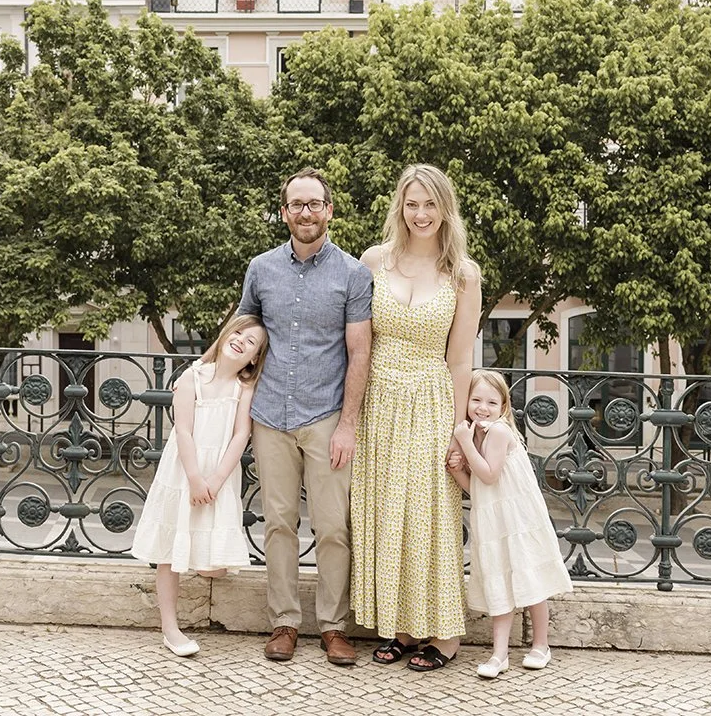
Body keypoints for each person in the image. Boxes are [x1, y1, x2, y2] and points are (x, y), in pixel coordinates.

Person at [237, 168, 373, 666]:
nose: (305, 212)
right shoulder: (261, 268)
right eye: (296, 204)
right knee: (279, 523)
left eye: (314, 204)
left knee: (334, 526)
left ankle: (334, 627)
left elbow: (360, 354)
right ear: (284, 212)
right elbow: (245, 330)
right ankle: (285, 622)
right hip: (270, 413)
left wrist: (348, 426)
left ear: (329, 210)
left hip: (326, 416)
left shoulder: (354, 275)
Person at [352, 163, 481, 673]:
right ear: (400, 208)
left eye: (430, 204)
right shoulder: (374, 261)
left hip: (430, 398)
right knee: (385, 512)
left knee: (430, 514)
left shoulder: (462, 274)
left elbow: (461, 359)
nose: (421, 214)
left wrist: (458, 427)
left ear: (445, 209)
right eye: (412, 204)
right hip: (378, 400)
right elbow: (357, 341)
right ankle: (402, 629)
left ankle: (444, 635)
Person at [130, 315, 268, 657]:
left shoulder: (244, 388)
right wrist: (194, 478)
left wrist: (216, 480)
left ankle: (205, 565)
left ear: (254, 358)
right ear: (224, 335)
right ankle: (170, 627)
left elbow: (241, 435)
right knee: (169, 552)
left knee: (213, 563)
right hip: (184, 471)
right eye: (238, 332)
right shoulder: (192, 377)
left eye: (251, 342)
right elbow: (183, 431)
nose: (241, 341)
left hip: (218, 473)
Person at [450, 369, 573, 679]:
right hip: (493, 518)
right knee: (499, 580)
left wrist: (464, 442)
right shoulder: (478, 433)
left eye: (491, 402)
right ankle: (499, 654)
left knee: (530, 580)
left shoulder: (499, 432)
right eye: (476, 399)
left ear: (503, 407)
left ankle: (541, 645)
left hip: (519, 518)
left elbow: (489, 474)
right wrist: (456, 472)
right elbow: (478, 488)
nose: (482, 407)